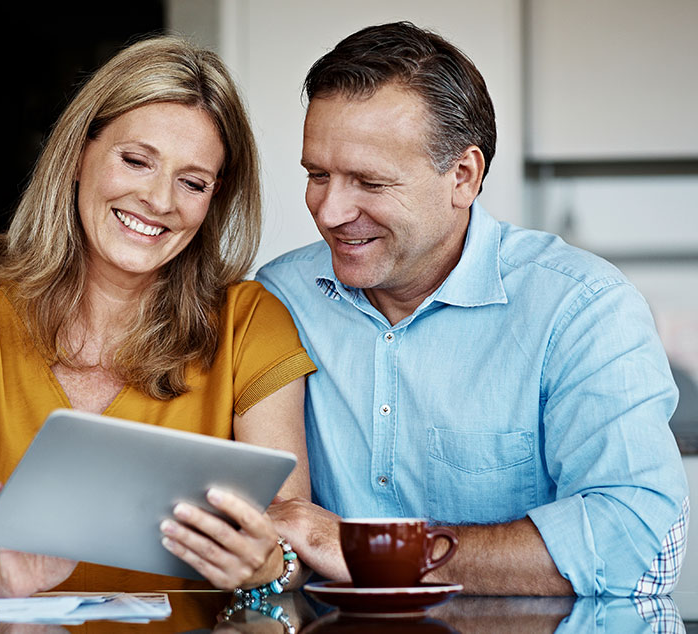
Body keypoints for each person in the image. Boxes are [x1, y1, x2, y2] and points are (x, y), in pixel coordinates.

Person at [0, 35, 316, 598]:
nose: (160, 200)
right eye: (136, 161)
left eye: (192, 182)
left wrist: (271, 566)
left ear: (214, 198)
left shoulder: (250, 325)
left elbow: (294, 536)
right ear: (78, 154)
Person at [256, 22, 689, 596]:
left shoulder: (580, 307)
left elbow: (635, 539)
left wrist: (373, 552)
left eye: (370, 182)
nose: (330, 211)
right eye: (317, 175)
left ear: (463, 177)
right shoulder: (279, 297)